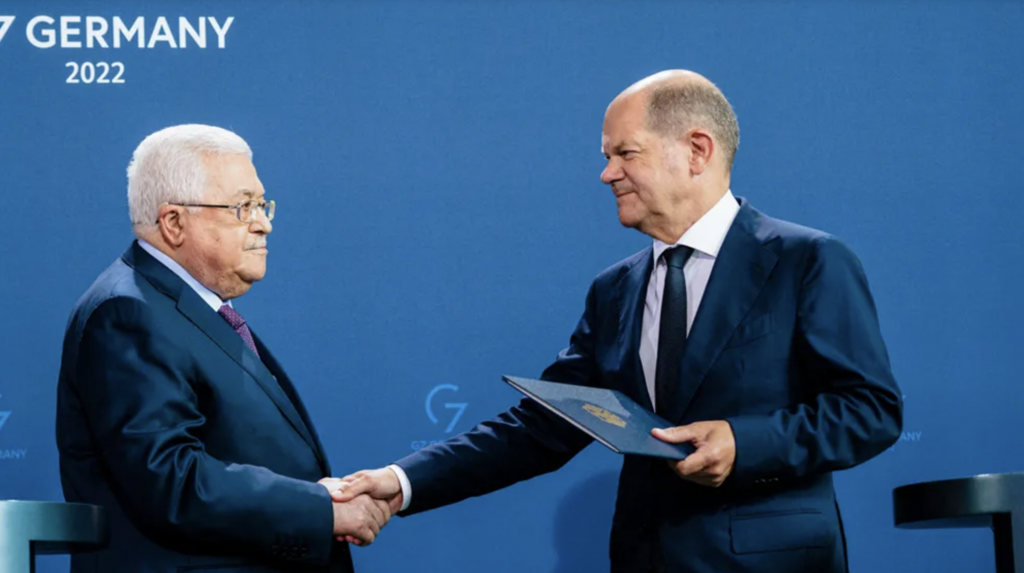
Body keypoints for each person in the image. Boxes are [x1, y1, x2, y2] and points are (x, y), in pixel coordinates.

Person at [328, 70, 903, 573]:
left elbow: (870, 410)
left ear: (697, 151)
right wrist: (400, 483)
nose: (607, 174)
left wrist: (743, 441)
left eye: (625, 154)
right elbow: (543, 426)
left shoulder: (806, 260)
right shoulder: (614, 289)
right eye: (608, 157)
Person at [56, 124, 391, 573]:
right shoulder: (128, 312)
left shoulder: (183, 307)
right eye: (242, 206)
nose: (264, 222)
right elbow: (169, 478)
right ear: (173, 222)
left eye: (262, 203)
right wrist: (317, 507)